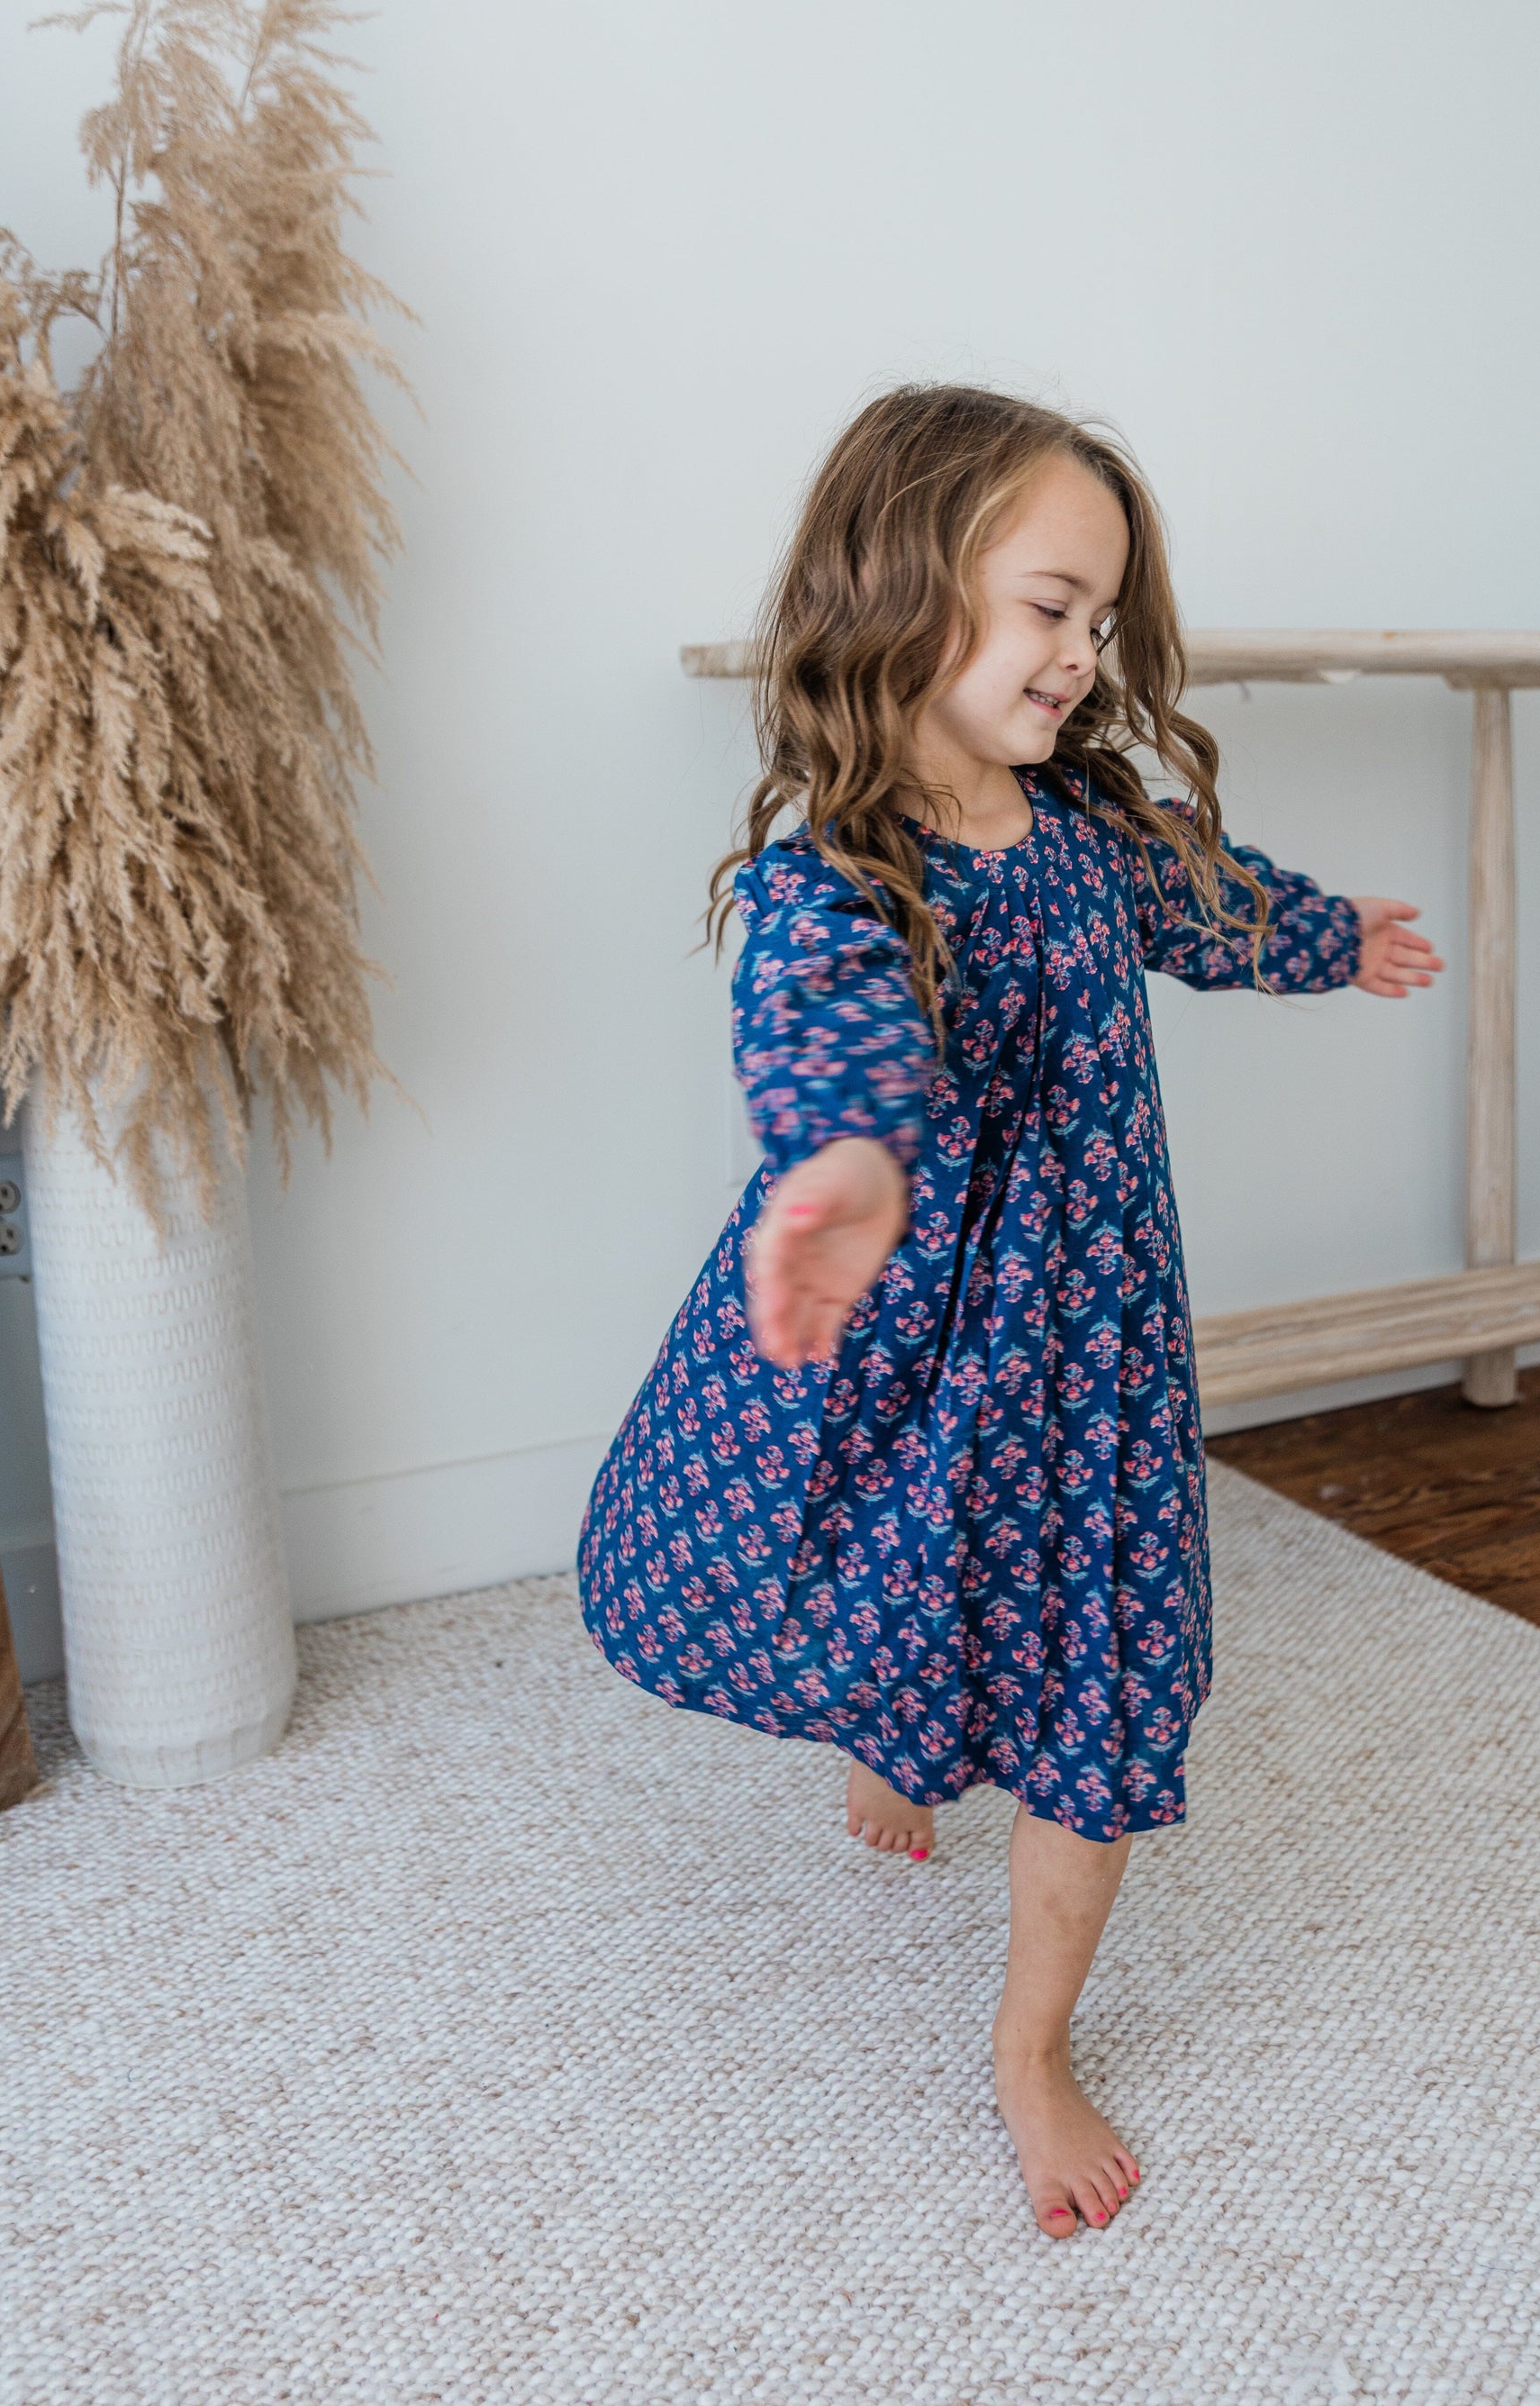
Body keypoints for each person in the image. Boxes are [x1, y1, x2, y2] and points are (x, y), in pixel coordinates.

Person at [578, 385, 1441, 2238]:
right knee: (900, 1581)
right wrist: (850, 1172)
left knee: (1099, 1681)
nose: (1080, 655)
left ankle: (1028, 2040)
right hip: (907, 1343)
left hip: (1097, 1359)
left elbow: (1212, 907)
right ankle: (894, 1744)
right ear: (902, 584)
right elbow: (833, 1041)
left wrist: (1323, 937)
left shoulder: (1081, 829)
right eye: (1050, 604)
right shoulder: (833, 876)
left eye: (1101, 620)